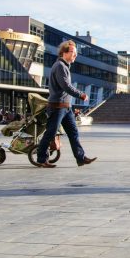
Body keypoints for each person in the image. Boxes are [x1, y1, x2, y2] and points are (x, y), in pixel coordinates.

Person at [36, 40, 97, 168]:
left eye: (76, 53)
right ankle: (41, 159)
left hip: (66, 107)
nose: (75, 55)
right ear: (64, 53)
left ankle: (81, 158)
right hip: (57, 107)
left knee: (74, 133)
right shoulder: (59, 66)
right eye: (73, 53)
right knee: (50, 133)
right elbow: (66, 86)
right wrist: (81, 94)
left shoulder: (64, 66)